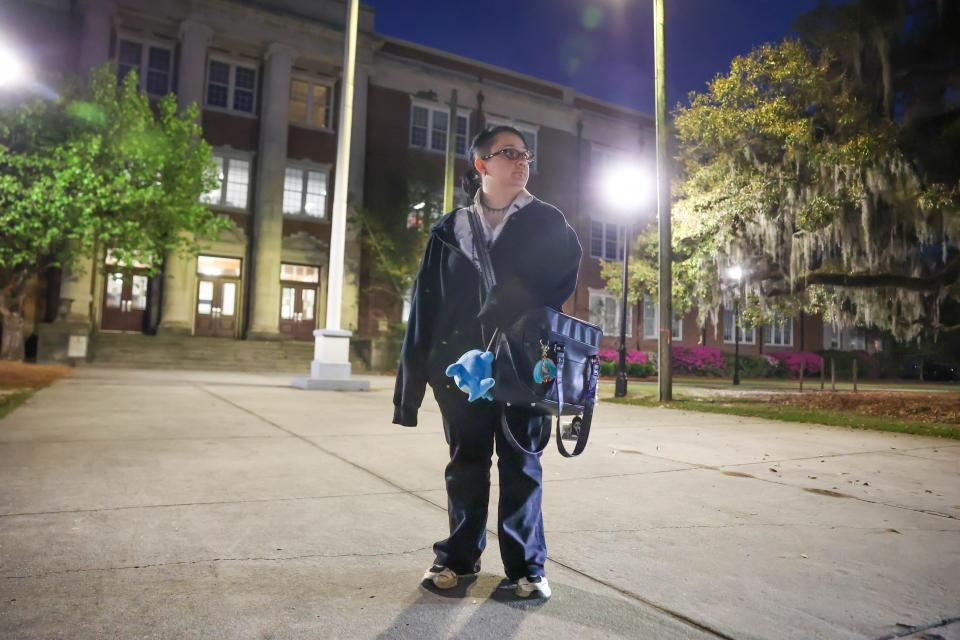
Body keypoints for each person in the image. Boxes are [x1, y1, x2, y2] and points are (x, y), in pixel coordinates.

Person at [392, 125, 582, 600]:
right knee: (466, 464)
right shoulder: (449, 228)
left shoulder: (547, 221)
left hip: (525, 366)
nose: (521, 162)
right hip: (460, 373)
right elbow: (426, 305)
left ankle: (526, 569)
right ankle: (457, 559)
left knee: (522, 464)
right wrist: (414, 383)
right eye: (508, 153)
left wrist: (500, 305)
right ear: (481, 165)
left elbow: (558, 276)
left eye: (526, 155)